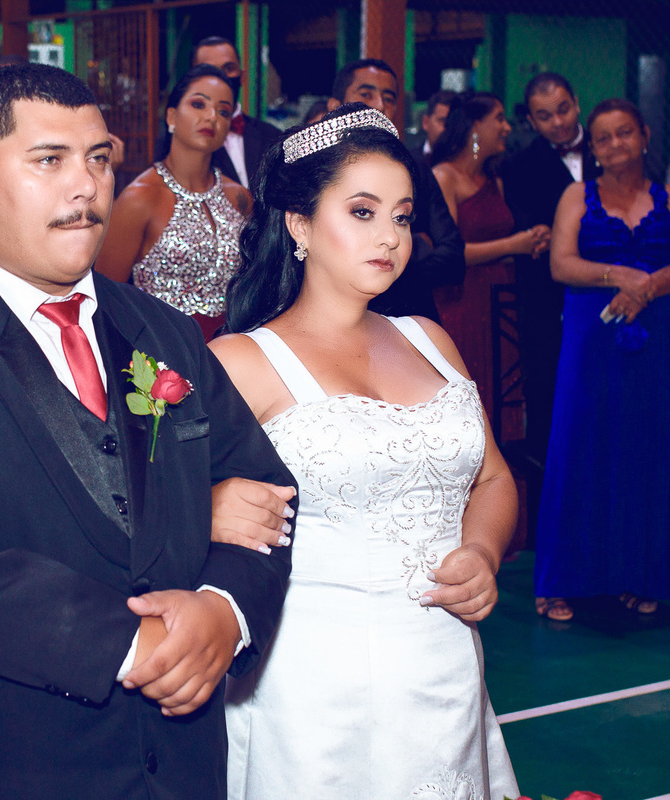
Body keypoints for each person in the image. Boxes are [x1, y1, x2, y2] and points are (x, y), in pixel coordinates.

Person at [0, 62, 295, 800]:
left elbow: (264, 488)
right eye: (50, 160)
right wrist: (134, 642)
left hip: (176, 760)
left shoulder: (163, 332)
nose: (86, 186)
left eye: (99, 159)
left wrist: (224, 611)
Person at [211, 103, 519, 798]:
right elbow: (152, 506)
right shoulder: (242, 361)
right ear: (299, 224)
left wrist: (481, 552)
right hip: (312, 682)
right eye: (362, 212)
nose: (389, 237)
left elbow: (493, 479)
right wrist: (208, 506)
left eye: (403, 217)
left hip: (443, 663)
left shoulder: (430, 340)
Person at [535, 99, 670, 621]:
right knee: (579, 445)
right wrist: (616, 276)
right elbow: (561, 263)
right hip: (592, 336)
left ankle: (639, 574)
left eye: (624, 133)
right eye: (602, 138)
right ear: (593, 148)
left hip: (656, 338)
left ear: (645, 135)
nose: (614, 145)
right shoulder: (575, 195)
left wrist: (649, 285)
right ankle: (560, 581)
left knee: (646, 448)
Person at [96, 65, 250, 340]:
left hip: (230, 351)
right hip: (161, 352)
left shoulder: (240, 198)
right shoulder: (139, 199)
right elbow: (106, 301)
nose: (211, 117)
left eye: (224, 111)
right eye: (198, 104)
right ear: (171, 116)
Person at [503, 74, 601, 475]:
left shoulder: (610, 147)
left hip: (612, 292)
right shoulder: (520, 166)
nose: (558, 122)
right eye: (545, 116)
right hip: (548, 298)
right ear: (531, 120)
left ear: (576, 102)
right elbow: (532, 234)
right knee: (548, 393)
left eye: (563, 110)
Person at [432, 92, 549, 424]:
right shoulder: (444, 177)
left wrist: (532, 242)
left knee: (501, 385)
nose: (507, 127)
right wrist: (514, 245)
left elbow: (503, 242)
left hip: (501, 294)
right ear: (474, 125)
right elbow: (451, 251)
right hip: (461, 298)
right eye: (499, 118)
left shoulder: (495, 180)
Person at [327, 59, 465, 322]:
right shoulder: (319, 173)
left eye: (402, 219)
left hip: (407, 313)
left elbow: (453, 257)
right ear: (335, 105)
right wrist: (420, 245)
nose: (379, 105)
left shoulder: (415, 168)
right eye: (366, 94)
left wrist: (389, 268)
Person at [189, 36, 280, 188]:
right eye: (210, 70)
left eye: (228, 68)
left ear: (242, 76)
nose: (221, 77)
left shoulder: (271, 136)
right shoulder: (183, 142)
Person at [416, 89, 457, 161]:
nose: (447, 128)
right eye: (442, 121)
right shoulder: (409, 160)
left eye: (453, 122)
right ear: (426, 122)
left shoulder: (464, 163)